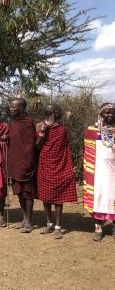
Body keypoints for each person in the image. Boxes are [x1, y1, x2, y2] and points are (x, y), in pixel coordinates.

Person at [36, 104, 77, 239]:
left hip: (59, 163)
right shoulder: (39, 126)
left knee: (58, 196)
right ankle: (49, 223)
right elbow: (37, 146)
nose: (57, 111)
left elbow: (64, 148)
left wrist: (68, 165)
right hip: (45, 163)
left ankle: (58, 227)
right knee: (45, 195)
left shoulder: (62, 128)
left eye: (54, 109)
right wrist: (42, 132)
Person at [83, 103, 115, 241]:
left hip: (113, 170)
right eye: (106, 112)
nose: (110, 115)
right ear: (101, 114)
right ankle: (98, 227)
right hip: (98, 170)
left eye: (112, 112)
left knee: (112, 196)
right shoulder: (92, 130)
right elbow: (87, 150)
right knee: (98, 196)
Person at [8, 98, 37, 233]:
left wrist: (28, 163)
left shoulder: (28, 122)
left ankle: (30, 222)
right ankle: (24, 218)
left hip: (26, 163)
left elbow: (30, 145)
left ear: (21, 108)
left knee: (27, 193)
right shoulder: (13, 123)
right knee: (19, 192)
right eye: (10, 107)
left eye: (13, 107)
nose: (11, 109)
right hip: (15, 163)